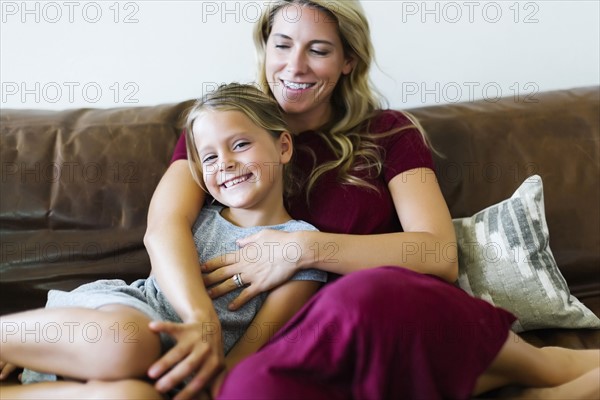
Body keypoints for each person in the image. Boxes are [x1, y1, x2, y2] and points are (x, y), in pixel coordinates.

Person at [156, 1, 600, 399]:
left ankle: (547, 371)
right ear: (265, 50)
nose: (295, 66)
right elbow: (163, 228)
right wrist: (202, 321)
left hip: (384, 309)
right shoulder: (220, 130)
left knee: (355, 295)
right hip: (302, 342)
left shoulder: (389, 132)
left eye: (319, 50)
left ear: (349, 60)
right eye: (282, 45)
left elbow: (438, 252)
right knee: (250, 389)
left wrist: (307, 248)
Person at [0, 83, 326, 400]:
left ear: (283, 147)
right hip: (127, 317)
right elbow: (160, 238)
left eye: (240, 144)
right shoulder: (197, 216)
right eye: (209, 157)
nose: (224, 162)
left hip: (163, 375)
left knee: (134, 396)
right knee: (130, 343)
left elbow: (248, 353)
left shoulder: (301, 244)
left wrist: (208, 383)